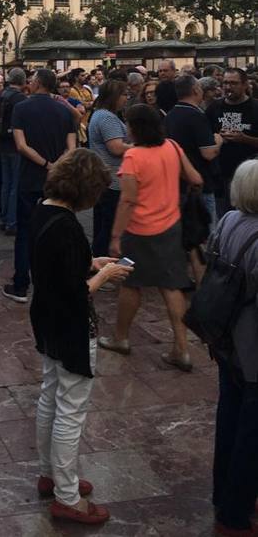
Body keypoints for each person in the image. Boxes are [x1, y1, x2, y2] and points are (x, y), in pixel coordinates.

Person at [31, 149, 132, 526]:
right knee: (70, 409)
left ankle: (50, 474)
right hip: (71, 324)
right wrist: (102, 276)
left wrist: (92, 263)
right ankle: (68, 495)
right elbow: (75, 292)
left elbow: (54, 267)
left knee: (50, 393)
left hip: (45, 318)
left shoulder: (45, 210)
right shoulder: (68, 225)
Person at [99, 104, 203, 371]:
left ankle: (121, 338)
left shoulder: (134, 156)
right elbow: (195, 178)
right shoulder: (172, 146)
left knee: (130, 284)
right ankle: (182, 348)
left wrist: (115, 235)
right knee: (171, 286)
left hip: (138, 231)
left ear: (135, 127)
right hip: (171, 226)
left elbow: (128, 200)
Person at [209, 160, 258, 537]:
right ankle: (236, 510)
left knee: (229, 412)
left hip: (226, 337)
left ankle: (222, 491)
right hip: (252, 342)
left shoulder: (227, 221)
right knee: (251, 429)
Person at [2, 68, 76, 303]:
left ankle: (21, 284)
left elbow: (21, 146)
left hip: (30, 177)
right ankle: (53, 282)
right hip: (55, 180)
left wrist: (45, 164)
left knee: (25, 231)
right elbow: (72, 148)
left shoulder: (21, 108)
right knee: (55, 229)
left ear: (37, 83)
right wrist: (56, 166)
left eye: (32, 80)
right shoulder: (64, 111)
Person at [166, 73, 222, 230]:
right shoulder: (196, 115)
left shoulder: (170, 115)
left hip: (179, 181)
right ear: (196, 90)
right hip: (200, 182)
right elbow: (208, 153)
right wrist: (218, 140)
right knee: (207, 231)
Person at [206, 68, 258, 218]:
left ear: (245, 85)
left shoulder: (255, 108)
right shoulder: (214, 107)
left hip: (249, 176)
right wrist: (216, 139)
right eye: (225, 83)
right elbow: (204, 137)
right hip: (221, 174)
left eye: (233, 83)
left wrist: (244, 139)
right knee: (225, 216)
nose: (228, 87)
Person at [87, 80, 130, 257]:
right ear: (114, 97)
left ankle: (99, 261)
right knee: (108, 226)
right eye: (123, 94)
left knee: (102, 225)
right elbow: (116, 147)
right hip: (112, 180)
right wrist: (142, 146)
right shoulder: (106, 117)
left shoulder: (101, 114)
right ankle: (103, 263)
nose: (126, 98)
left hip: (104, 178)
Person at [0, 67, 27, 236]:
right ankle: (12, 221)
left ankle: (3, 217)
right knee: (15, 183)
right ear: (22, 81)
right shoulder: (20, 98)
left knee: (6, 183)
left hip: (2, 144)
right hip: (15, 144)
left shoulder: (2, 95)